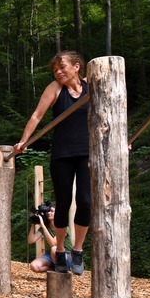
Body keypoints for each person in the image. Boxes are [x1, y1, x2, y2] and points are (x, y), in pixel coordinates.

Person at [13, 51, 90, 275]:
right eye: (55, 69)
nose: (58, 72)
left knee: (85, 201)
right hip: (62, 154)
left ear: (77, 66)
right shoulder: (55, 89)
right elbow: (37, 115)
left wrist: (121, 139)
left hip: (87, 153)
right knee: (63, 202)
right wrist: (24, 140)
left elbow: (108, 112)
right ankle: (58, 249)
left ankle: (77, 250)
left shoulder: (90, 87)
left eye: (62, 67)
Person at [26, 204, 70, 273]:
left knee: (54, 249)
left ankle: (61, 268)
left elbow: (53, 244)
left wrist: (43, 225)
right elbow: (30, 241)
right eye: (48, 211)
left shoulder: (63, 227)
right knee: (34, 266)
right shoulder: (46, 227)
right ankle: (55, 269)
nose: (49, 213)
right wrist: (33, 223)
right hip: (51, 255)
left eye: (52, 211)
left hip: (66, 256)